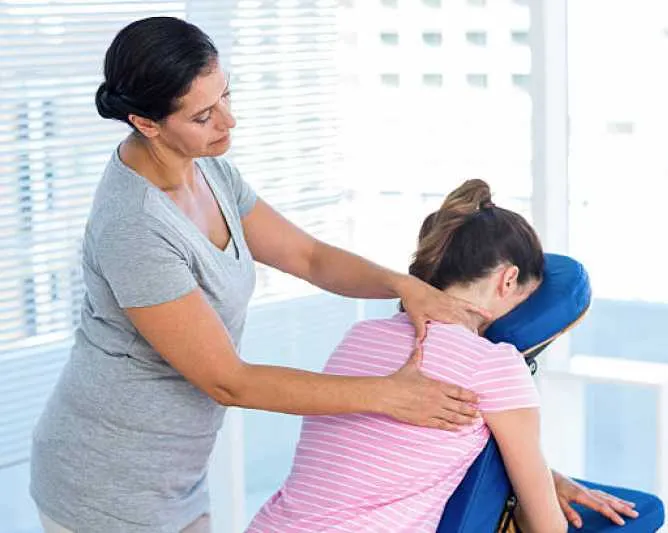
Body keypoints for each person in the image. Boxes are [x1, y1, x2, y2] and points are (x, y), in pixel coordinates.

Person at [29, 17, 490, 533]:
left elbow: (309, 257)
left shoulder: (209, 169)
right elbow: (230, 381)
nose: (228, 121)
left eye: (225, 95)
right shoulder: (133, 227)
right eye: (204, 116)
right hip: (106, 482)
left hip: (174, 477)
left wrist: (404, 286)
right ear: (146, 124)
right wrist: (389, 393)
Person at [246, 180, 640, 532]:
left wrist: (545, 475)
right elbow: (546, 528)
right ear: (507, 280)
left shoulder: (361, 336)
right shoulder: (495, 364)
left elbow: (386, 457)